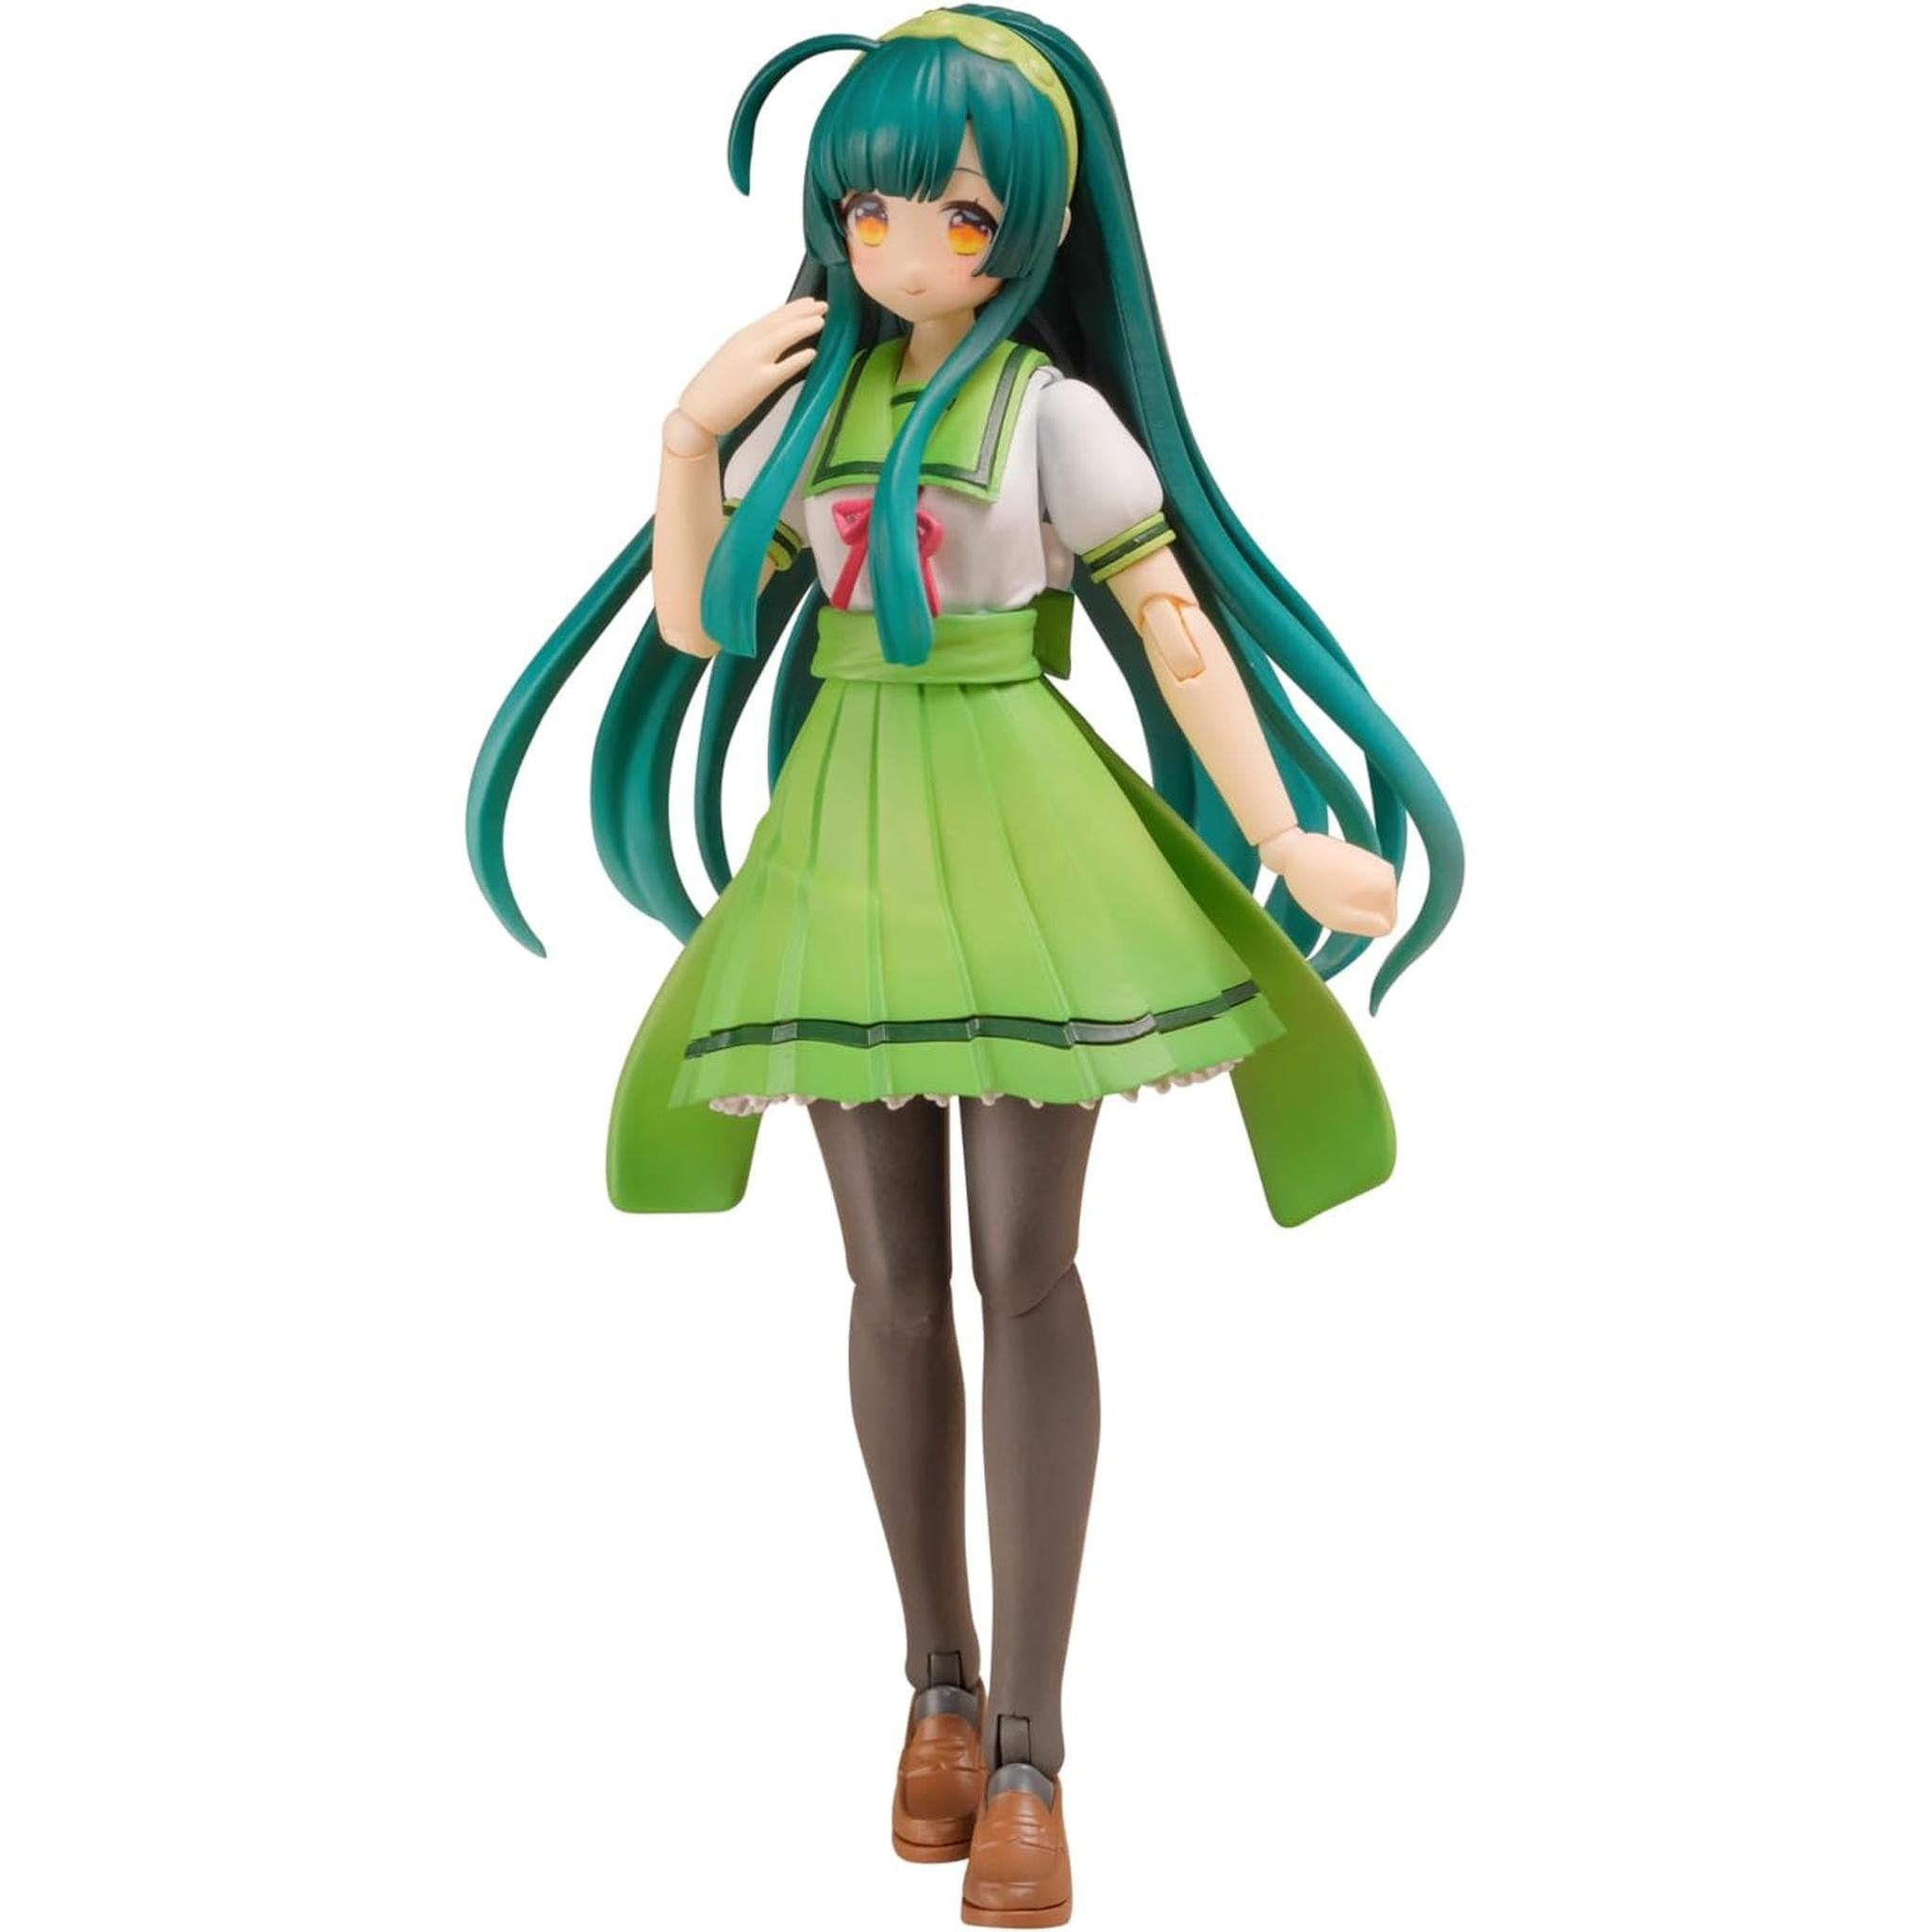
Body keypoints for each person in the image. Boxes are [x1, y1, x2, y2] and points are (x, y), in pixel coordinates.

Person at [467, 10, 1462, 1924]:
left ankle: (1029, 1747)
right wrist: (685, 436)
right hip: (849, 846)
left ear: (1036, 229)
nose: (905, 246)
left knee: (1026, 1273)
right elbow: (698, 620)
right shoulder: (807, 410)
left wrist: (1281, 834)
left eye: (957, 214)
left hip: (1018, 836)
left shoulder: (1053, 419)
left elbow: (1172, 628)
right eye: (868, 209)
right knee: (887, 1283)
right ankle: (933, 1683)